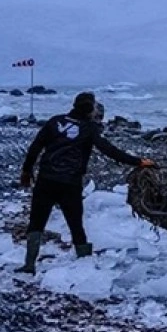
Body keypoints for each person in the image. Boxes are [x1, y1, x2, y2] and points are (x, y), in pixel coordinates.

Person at [17, 92, 154, 273]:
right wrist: (137, 161)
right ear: (90, 111)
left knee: (36, 222)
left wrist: (27, 170)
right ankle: (85, 265)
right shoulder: (89, 128)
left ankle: (29, 265)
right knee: (75, 224)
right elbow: (109, 150)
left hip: (46, 180)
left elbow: (35, 147)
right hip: (70, 183)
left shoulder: (54, 121)